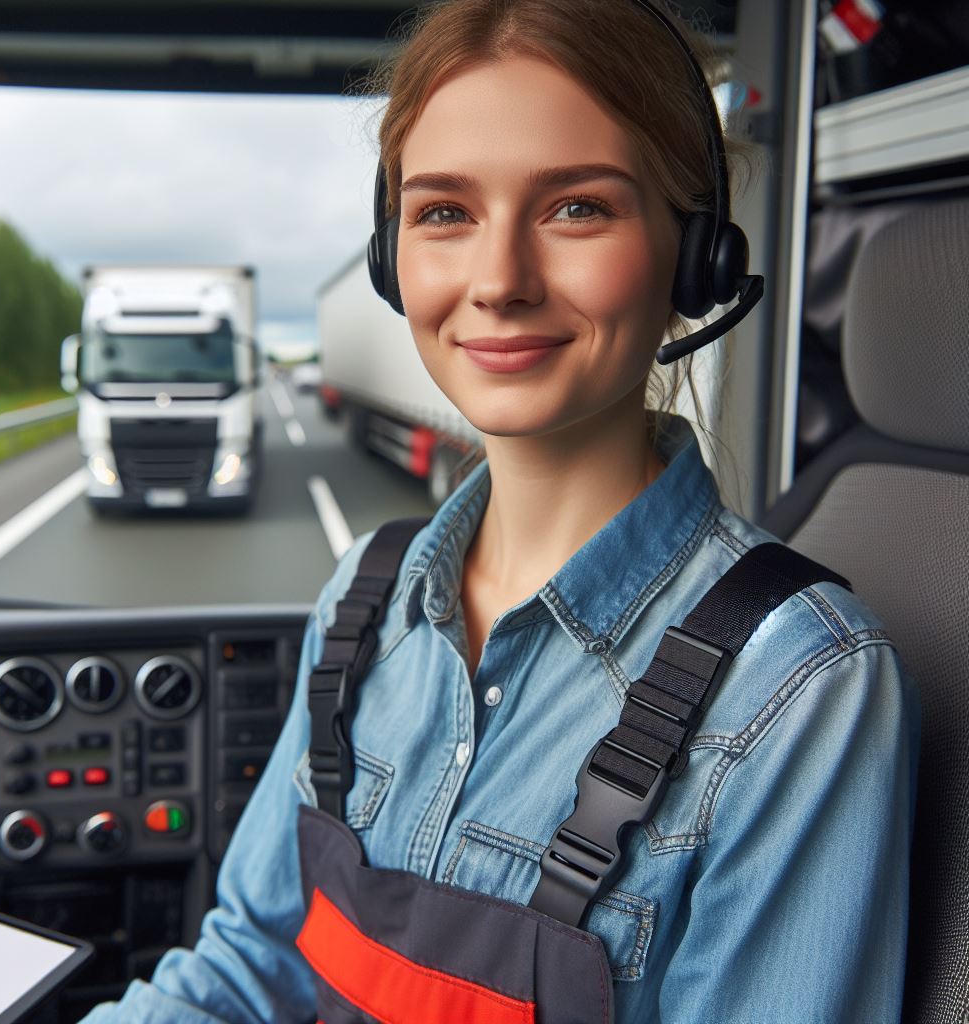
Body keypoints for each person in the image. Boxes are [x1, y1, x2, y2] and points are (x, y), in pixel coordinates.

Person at [82, 1, 919, 1021]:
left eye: (576, 208)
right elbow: (247, 969)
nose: (500, 281)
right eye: (444, 213)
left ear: (693, 254)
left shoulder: (799, 687)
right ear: (393, 260)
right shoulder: (365, 597)